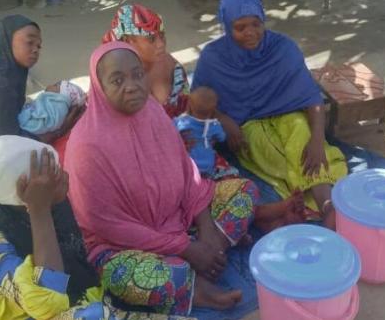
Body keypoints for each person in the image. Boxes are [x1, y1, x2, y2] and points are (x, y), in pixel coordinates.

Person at [64, 42, 300, 315]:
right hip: (125, 247)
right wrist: (186, 247)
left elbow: (188, 174)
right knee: (127, 276)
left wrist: (208, 233)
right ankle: (196, 286)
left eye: (138, 74)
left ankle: (212, 254)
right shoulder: (86, 145)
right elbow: (106, 226)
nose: (132, 85)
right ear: (99, 86)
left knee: (244, 191)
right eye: (117, 80)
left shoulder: (152, 112)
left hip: (179, 223)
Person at [0, 135, 174, 320]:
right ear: (25, 196)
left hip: (76, 296)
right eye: (50, 177)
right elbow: (47, 301)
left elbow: (77, 254)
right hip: (26, 313)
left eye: (55, 168)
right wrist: (40, 211)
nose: (63, 177)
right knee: (93, 315)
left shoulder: (48, 198)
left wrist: (44, 205)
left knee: (147, 274)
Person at [192, 0, 348, 230]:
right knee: (273, 150)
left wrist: (318, 139)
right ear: (226, 26)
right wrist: (223, 118)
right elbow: (197, 102)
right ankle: (315, 202)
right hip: (247, 124)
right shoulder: (213, 59)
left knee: (302, 137)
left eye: (256, 24)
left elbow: (310, 96)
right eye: (240, 27)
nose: (250, 33)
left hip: (288, 112)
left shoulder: (283, 49)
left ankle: (327, 206)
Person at [0, 16, 83, 189]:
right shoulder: (0, 84)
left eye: (39, 46)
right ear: (7, 39)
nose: (35, 50)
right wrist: (59, 130)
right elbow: (10, 145)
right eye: (30, 42)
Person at [102, 4, 189, 118]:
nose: (161, 44)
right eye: (151, 39)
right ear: (127, 41)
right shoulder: (112, 80)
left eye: (162, 36)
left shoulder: (171, 66)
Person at [174, 87, 239, 181]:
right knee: (233, 172)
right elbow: (222, 138)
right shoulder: (214, 125)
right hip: (208, 164)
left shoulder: (181, 122)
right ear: (213, 110)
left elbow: (171, 129)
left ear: (190, 105)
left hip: (189, 163)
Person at [18, 80, 86, 135]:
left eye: (55, 85)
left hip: (30, 125)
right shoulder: (51, 101)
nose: (50, 85)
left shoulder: (60, 106)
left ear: (60, 92)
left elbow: (54, 121)